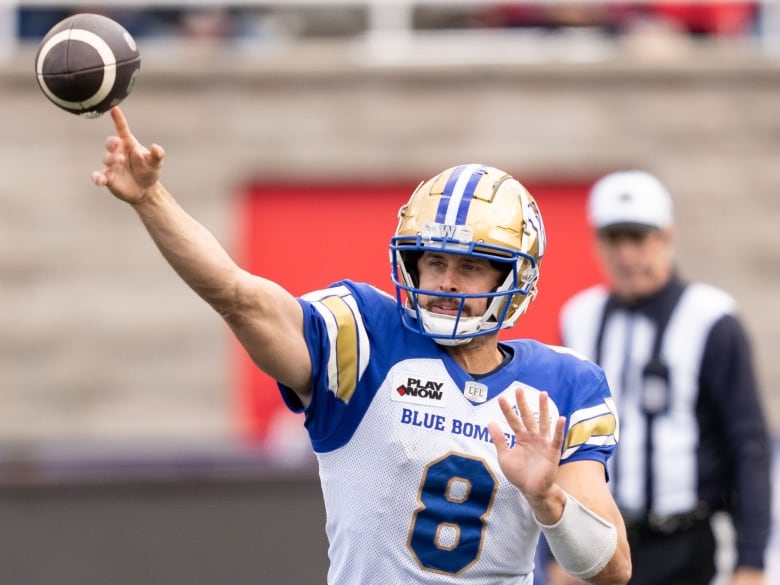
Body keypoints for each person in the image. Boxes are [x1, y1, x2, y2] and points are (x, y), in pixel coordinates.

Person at [91, 107, 632, 585]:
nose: (445, 282)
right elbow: (238, 297)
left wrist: (548, 500)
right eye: (435, 261)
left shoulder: (563, 385)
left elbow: (611, 570)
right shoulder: (367, 336)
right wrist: (151, 200)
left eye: (469, 267)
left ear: (511, 281)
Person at [549, 170, 771, 585]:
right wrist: (557, 547)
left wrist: (751, 563)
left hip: (687, 542)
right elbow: (562, 440)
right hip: (603, 542)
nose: (627, 253)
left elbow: (749, 446)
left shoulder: (710, 319)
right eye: (615, 239)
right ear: (597, 242)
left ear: (667, 236)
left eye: (639, 237)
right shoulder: (581, 317)